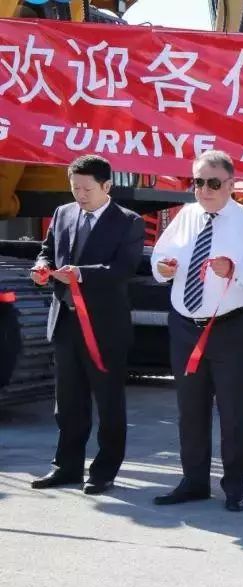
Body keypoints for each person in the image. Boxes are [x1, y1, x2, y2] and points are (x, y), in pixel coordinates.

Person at [150, 150, 243, 512]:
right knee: (190, 408)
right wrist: (163, 267)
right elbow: (158, 259)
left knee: (235, 410)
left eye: (213, 183)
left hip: (233, 327)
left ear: (231, 184)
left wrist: (235, 269)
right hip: (185, 326)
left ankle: (235, 485)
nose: (204, 190)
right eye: (198, 182)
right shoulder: (185, 216)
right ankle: (193, 481)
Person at [29, 155, 144, 495]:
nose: (80, 195)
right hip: (65, 320)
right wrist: (42, 266)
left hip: (105, 326)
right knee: (68, 401)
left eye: (87, 189)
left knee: (108, 402)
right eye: (74, 188)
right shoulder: (64, 213)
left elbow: (124, 268)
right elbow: (48, 249)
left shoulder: (128, 221)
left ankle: (104, 471)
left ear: (107, 186)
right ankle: (66, 466)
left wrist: (81, 274)